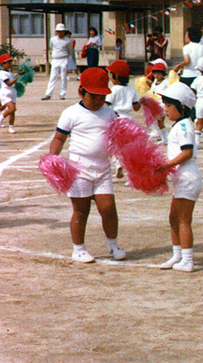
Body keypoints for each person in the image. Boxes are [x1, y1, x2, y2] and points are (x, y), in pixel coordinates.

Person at [48, 67, 126, 263]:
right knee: (81, 211)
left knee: (108, 208)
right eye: (94, 96)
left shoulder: (109, 112)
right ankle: (79, 248)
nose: (99, 101)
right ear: (81, 92)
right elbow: (59, 138)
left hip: (102, 168)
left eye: (102, 96)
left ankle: (113, 244)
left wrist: (123, 159)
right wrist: (52, 160)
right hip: (79, 169)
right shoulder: (71, 113)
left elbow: (117, 139)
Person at [156, 82, 201, 272]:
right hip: (181, 178)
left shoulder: (184, 127)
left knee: (183, 220)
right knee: (173, 218)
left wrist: (165, 166)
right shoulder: (178, 125)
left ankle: (188, 260)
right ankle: (177, 255)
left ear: (182, 107)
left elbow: (187, 152)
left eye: (169, 106)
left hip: (188, 178)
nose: (165, 110)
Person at [0, 54, 23, 133]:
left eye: (10, 62)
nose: (10, 64)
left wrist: (19, 74)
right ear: (2, 64)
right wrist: (18, 77)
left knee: (12, 111)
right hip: (5, 92)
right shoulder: (1, 73)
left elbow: (12, 80)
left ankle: (11, 127)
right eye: (8, 62)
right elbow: (8, 83)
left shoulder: (8, 71)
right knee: (12, 108)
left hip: (12, 91)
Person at [42, 23, 73, 100]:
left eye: (61, 31)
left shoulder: (68, 40)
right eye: (58, 31)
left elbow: (70, 50)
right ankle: (48, 94)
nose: (60, 33)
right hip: (55, 59)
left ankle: (62, 94)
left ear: (64, 31)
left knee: (63, 77)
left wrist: (65, 56)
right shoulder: (53, 39)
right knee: (53, 77)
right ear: (56, 31)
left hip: (63, 59)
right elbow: (52, 47)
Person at [148, 61, 170, 142]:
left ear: (163, 73)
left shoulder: (166, 82)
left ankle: (165, 139)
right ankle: (161, 135)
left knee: (160, 122)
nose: (156, 76)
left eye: (158, 73)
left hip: (162, 105)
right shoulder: (155, 82)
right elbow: (152, 91)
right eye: (154, 74)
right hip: (155, 104)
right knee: (156, 121)